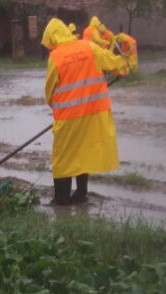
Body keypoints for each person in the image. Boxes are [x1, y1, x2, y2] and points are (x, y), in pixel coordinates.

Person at [41, 17, 129, 206]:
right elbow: (117, 65)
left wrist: (58, 108)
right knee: (83, 153)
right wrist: (124, 65)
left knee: (63, 158)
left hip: (68, 118)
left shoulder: (55, 57)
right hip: (94, 114)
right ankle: (81, 194)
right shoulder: (90, 47)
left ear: (53, 37)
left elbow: (50, 92)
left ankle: (61, 200)